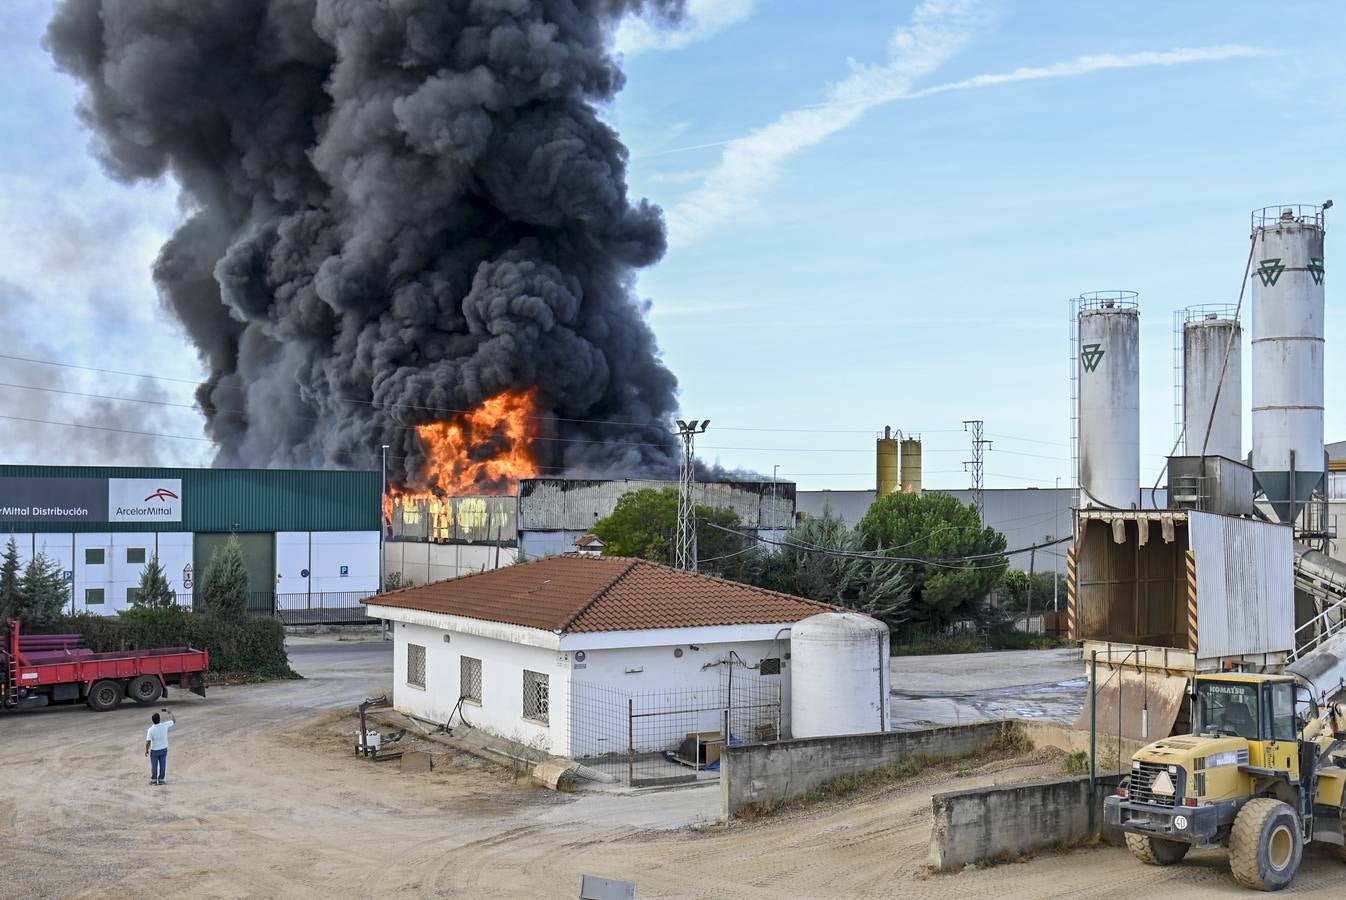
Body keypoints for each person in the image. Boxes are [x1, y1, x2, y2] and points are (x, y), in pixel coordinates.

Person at [144, 708, 176, 785]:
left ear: (152, 720)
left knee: (154, 766)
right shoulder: (164, 725)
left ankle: (154, 780)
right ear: (159, 719)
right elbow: (173, 720)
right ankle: (161, 779)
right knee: (163, 765)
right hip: (164, 749)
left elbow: (148, 742)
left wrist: (146, 750)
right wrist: (170, 712)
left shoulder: (150, 730)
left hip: (154, 751)